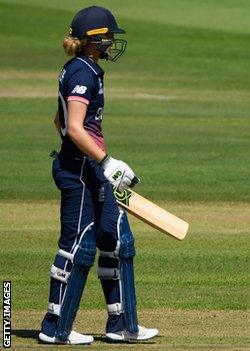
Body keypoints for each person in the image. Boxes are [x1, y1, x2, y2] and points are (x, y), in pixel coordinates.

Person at [39, 6, 158, 344]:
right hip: (78, 171)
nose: (111, 42)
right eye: (107, 37)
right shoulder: (82, 73)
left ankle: (121, 323)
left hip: (89, 167)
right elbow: (74, 128)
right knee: (77, 246)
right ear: (93, 40)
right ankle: (54, 326)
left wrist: (100, 163)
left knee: (115, 239)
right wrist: (106, 161)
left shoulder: (86, 68)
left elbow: (58, 122)